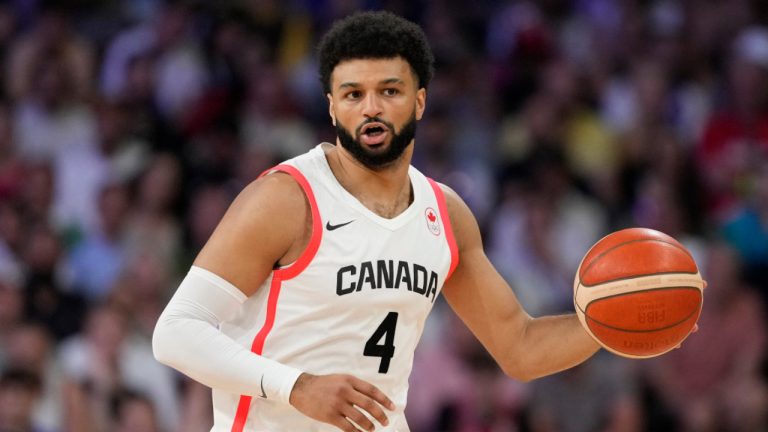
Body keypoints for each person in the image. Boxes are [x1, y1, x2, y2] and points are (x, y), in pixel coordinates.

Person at [152, 11, 601, 432]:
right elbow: (176, 332)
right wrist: (297, 386)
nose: (371, 108)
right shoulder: (287, 199)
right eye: (353, 94)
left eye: (389, 91)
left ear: (420, 100)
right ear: (331, 107)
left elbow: (519, 347)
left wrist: (615, 322)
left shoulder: (446, 216)